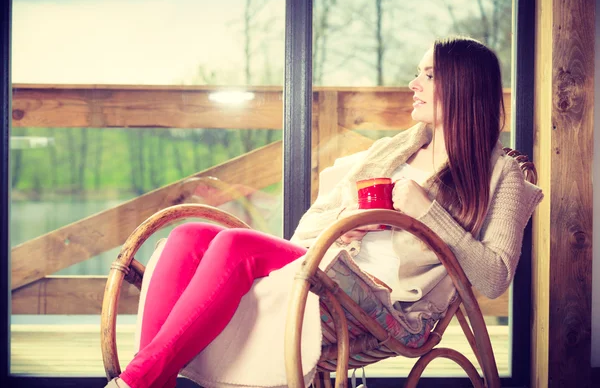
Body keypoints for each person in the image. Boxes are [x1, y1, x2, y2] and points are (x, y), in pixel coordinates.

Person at [106, 36, 543, 388]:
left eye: (429, 75)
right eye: (417, 73)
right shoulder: (390, 151)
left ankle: (136, 382)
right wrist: (345, 228)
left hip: (384, 302)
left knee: (235, 243)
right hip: (327, 265)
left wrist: (428, 211)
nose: (414, 84)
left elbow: (494, 276)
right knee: (188, 236)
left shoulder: (501, 175)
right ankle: (150, 383)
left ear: (465, 87)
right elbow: (316, 225)